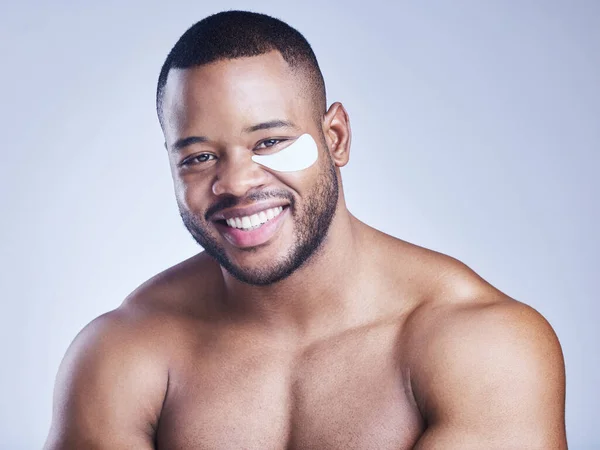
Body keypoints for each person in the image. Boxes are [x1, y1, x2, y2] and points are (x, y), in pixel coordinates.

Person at [44, 10, 567, 449]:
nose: (237, 183)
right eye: (200, 157)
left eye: (269, 142)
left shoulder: (482, 347)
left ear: (335, 136)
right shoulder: (122, 355)